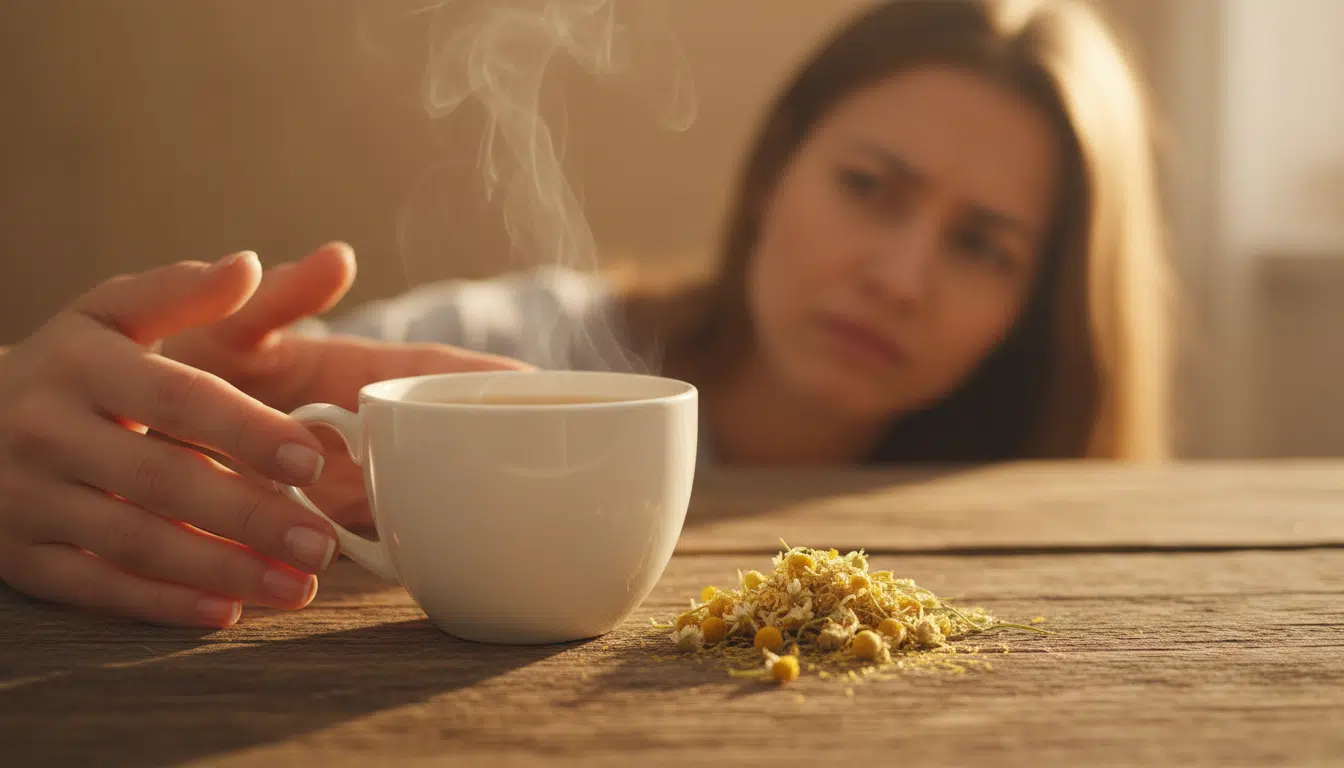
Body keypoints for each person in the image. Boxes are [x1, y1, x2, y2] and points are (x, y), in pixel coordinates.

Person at [0, 0, 1173, 629]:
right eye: (870, 187)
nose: (901, 275)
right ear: (772, 178)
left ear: (1037, 310)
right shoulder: (501, 356)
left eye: (981, 246)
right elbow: (185, 436)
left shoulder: (1033, 503)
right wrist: (76, 429)